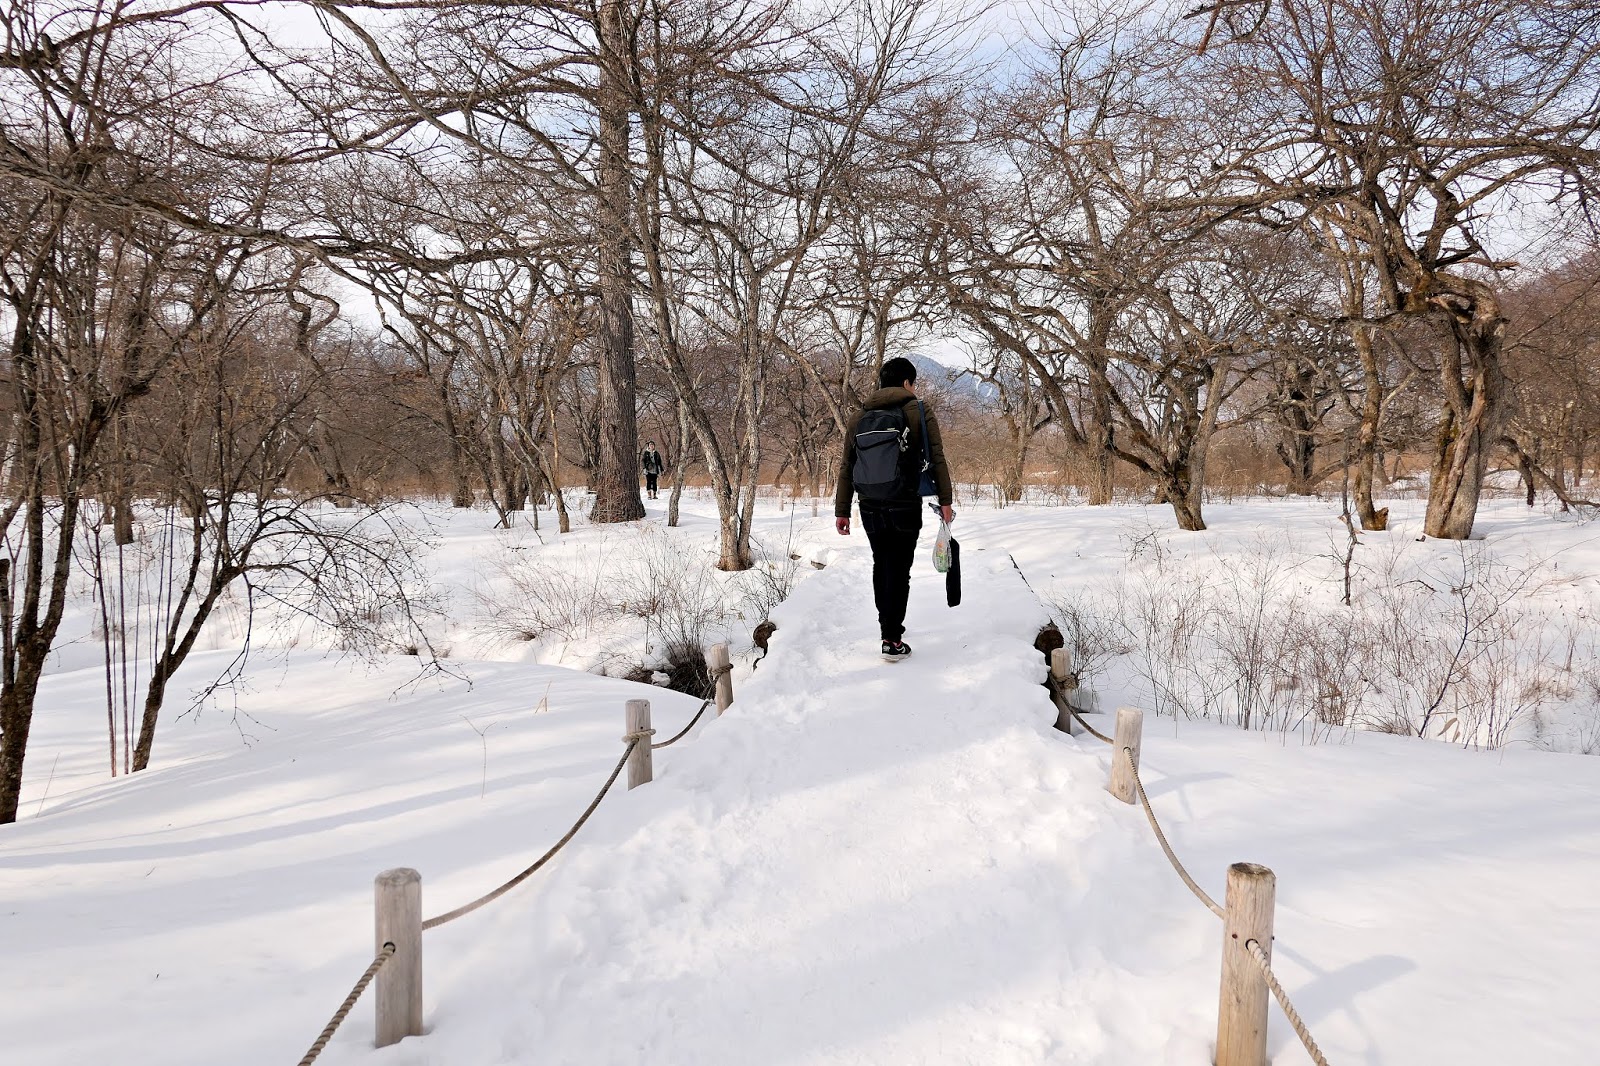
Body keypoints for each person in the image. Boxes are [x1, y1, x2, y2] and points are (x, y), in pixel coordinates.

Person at [835, 356, 955, 662]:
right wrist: (945, 500)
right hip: (905, 502)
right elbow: (937, 457)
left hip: (869, 503)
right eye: (912, 383)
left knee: (881, 563)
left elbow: (847, 466)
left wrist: (842, 510)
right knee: (899, 570)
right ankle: (892, 638)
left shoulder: (859, 416)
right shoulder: (917, 409)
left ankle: (886, 628)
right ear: (906, 383)